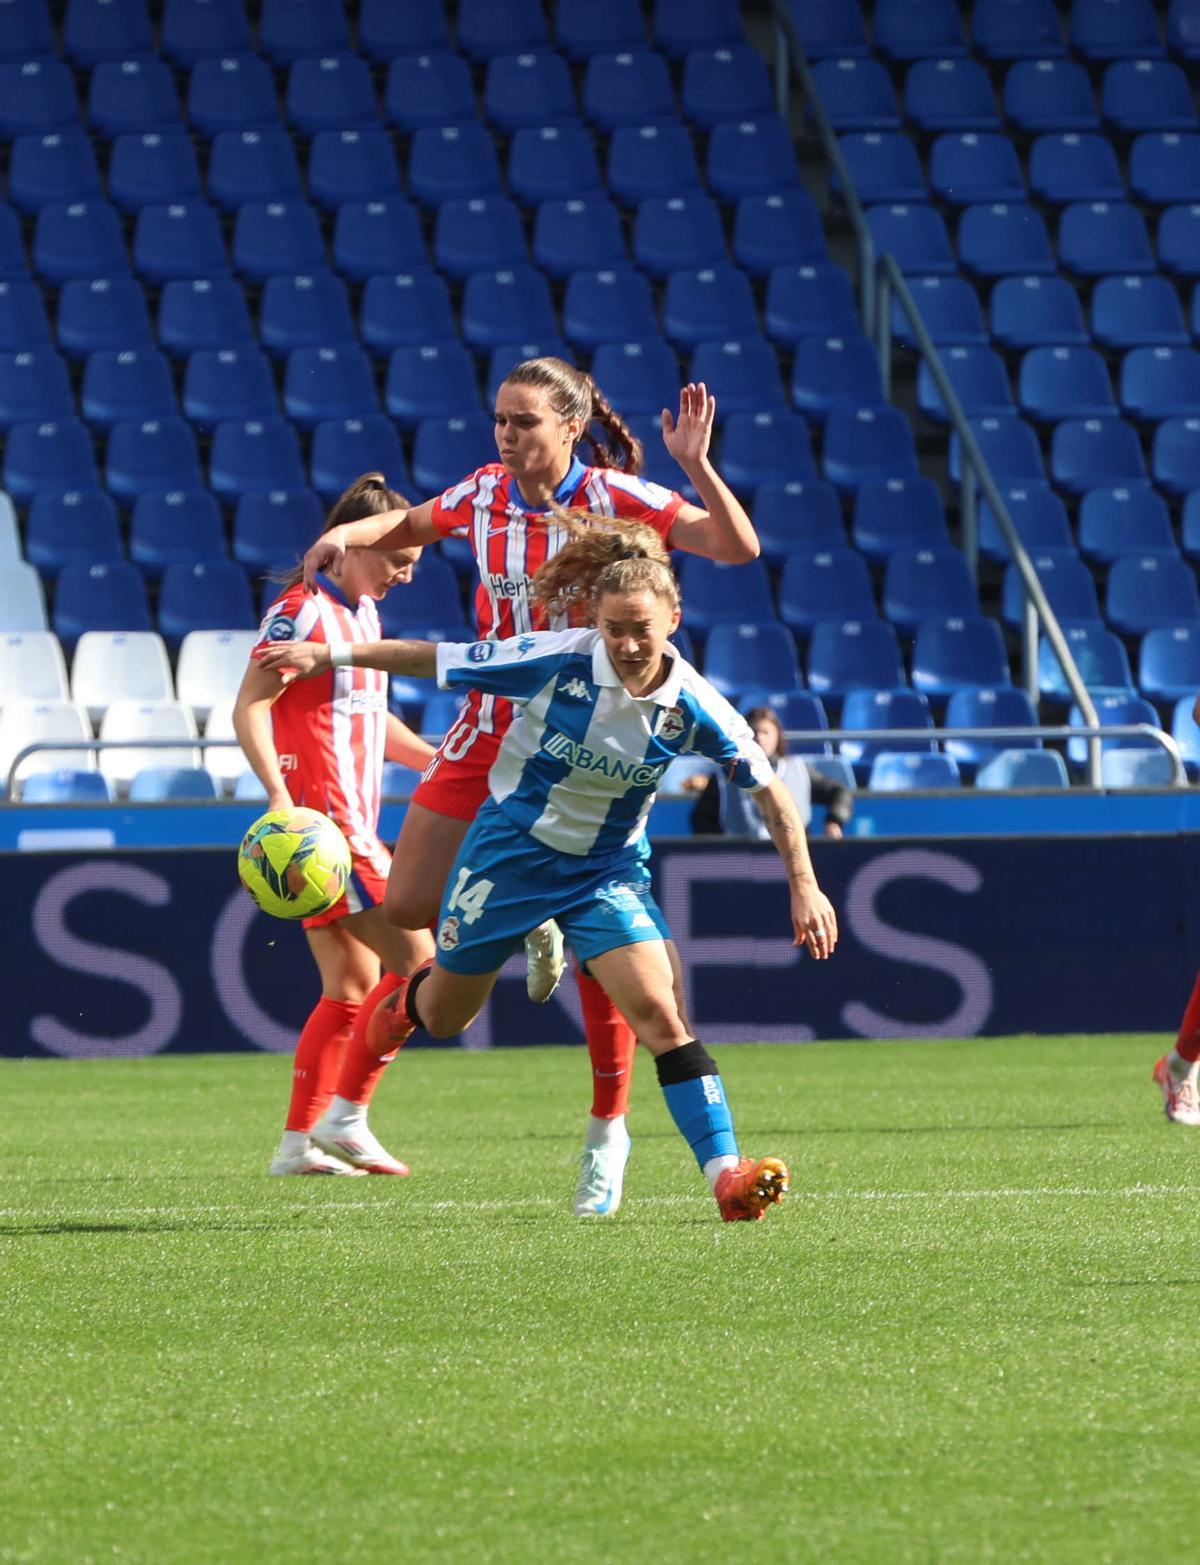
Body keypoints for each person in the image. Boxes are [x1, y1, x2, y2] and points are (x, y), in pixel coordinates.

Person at [256, 519, 839, 1221]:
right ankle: (406, 1020)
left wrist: (804, 884)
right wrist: (330, 654)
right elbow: (436, 657)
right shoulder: (558, 659)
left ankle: (726, 1173)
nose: (626, 644)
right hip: (510, 855)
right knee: (442, 1011)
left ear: (674, 619)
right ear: (593, 618)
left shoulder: (694, 707)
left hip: (606, 870)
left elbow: (770, 791)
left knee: (660, 1011)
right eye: (614, 627)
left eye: (641, 630)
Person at [295, 357, 763, 1216]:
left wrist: (696, 463)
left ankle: (605, 1133)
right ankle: (529, 920)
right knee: (405, 908)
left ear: (569, 427)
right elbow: (408, 521)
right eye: (500, 420)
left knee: (610, 950)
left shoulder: (621, 495)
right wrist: (347, 539)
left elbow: (736, 546)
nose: (508, 435)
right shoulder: (481, 493)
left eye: (525, 422)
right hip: (487, 723)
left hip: (578, 739)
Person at [232, 474, 436, 1177]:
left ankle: (296, 1146)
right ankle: (346, 1115)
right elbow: (250, 705)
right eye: (395, 559)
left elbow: (370, 720)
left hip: (343, 826)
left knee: (351, 986)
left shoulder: (363, 615)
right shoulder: (302, 611)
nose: (405, 573)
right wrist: (279, 798)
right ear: (352, 546)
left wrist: (437, 760)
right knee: (426, 966)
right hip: (329, 833)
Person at [687, 706, 854, 840]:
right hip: (740, 861)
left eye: (766, 732)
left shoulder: (799, 771)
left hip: (794, 861)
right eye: (754, 733)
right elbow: (701, 820)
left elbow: (839, 793)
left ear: (777, 736)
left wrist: (834, 820)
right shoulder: (723, 776)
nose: (760, 738)